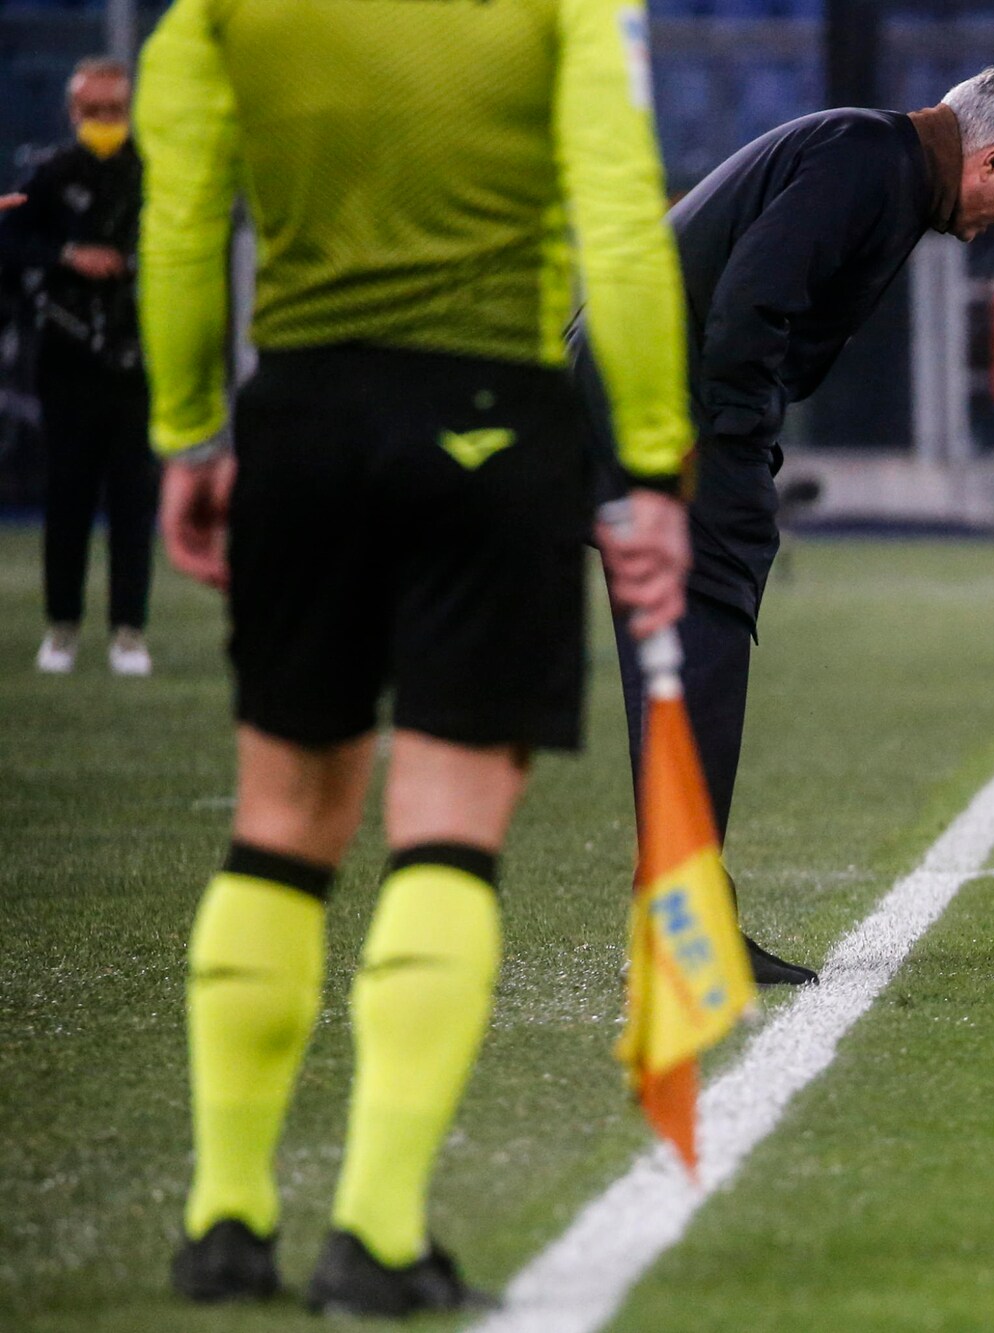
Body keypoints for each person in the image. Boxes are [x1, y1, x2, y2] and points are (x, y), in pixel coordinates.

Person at [136, 0, 692, 1314]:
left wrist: (189, 431)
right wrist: (654, 457)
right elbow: (622, 221)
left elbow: (181, 219)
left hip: (302, 420)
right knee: (447, 829)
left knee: (280, 822)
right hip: (491, 421)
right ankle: (378, 1234)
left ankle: (225, 1218)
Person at [573, 65, 994, 985]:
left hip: (631, 387)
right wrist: (730, 442)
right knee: (701, 650)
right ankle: (683, 928)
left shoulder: (870, 155)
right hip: (668, 408)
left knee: (678, 656)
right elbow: (753, 301)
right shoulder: (866, 160)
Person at [0, 58, 156, 676]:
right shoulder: (51, 175)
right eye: (93, 111)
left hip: (137, 360)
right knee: (66, 498)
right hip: (66, 360)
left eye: (114, 110)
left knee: (133, 502)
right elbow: (11, 243)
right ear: (72, 112)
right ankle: (62, 626)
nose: (104, 121)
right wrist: (68, 255)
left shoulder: (153, 174)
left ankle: (129, 631)